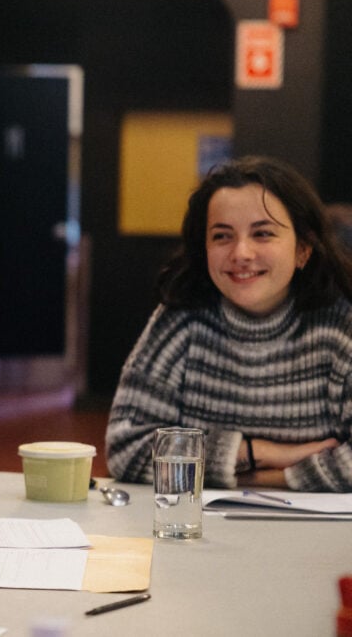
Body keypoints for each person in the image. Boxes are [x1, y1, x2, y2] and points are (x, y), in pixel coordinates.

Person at [106, 155, 352, 491]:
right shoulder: (181, 320)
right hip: (197, 531)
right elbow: (126, 447)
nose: (241, 253)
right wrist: (259, 452)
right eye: (222, 236)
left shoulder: (341, 326)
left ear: (303, 249)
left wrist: (270, 478)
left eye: (262, 234)